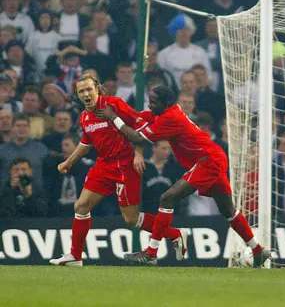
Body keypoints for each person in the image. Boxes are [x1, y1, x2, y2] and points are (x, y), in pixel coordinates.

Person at [97, 85, 270, 267]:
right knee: (228, 211)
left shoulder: (170, 118)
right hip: (212, 157)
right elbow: (139, 117)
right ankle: (258, 251)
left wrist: (114, 118)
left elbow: (138, 138)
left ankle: (151, 253)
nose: (149, 104)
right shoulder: (166, 112)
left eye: (153, 102)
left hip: (208, 160)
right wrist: (114, 106)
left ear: (165, 103)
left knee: (167, 198)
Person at [49, 74, 186, 266]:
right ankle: (75, 256)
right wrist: (69, 162)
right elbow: (87, 141)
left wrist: (139, 153)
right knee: (80, 206)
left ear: (97, 88)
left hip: (124, 165)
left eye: (89, 89)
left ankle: (175, 234)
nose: (86, 94)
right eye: (82, 91)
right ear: (78, 95)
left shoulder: (114, 104)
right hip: (103, 165)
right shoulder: (84, 116)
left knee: (131, 219)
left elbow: (139, 124)